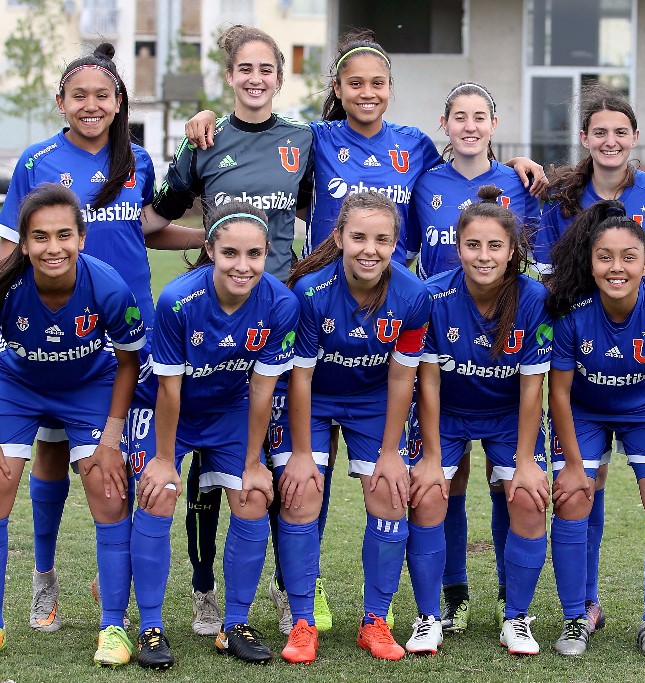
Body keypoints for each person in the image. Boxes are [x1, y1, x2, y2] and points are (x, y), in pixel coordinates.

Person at [185, 32, 546, 632]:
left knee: (408, 480)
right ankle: (302, 592)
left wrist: (515, 167)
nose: (368, 92)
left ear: (391, 90)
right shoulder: (314, 139)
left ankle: (433, 606)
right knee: (300, 476)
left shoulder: (416, 147)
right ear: (337, 90)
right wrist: (207, 119)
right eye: (356, 82)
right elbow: (255, 128)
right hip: (314, 310)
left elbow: (465, 170)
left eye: (378, 83)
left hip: (395, 319)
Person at [0, 44, 202, 653]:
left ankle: (116, 588)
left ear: (118, 103)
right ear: (60, 102)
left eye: (102, 96)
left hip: (124, 334)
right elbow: (11, 247)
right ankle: (44, 576)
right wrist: (0, 314)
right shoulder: (37, 160)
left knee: (120, 462)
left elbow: (149, 230)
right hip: (55, 333)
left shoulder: (135, 159)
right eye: (78, 95)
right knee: (52, 456)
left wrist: (212, 235)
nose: (90, 105)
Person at [149, 23, 314, 641]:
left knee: (264, 465)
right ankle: (204, 591)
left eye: (266, 69)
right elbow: (149, 224)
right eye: (244, 68)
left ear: (279, 75)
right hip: (211, 318)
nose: (255, 78)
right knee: (208, 472)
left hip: (276, 318)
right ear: (230, 76)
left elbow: (344, 197)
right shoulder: (204, 141)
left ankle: (276, 584)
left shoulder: (304, 139)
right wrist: (221, 240)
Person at [0, 184, 144, 665]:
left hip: (88, 386)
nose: (52, 247)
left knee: (109, 488)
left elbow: (127, 361)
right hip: (19, 386)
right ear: (23, 243)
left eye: (64, 235)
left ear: (82, 238)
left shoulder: (108, 287)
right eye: (40, 237)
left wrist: (111, 437)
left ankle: (114, 626)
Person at [536, 82, 645, 640]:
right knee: (581, 487)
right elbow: (541, 267)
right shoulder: (561, 196)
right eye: (599, 131)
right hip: (583, 364)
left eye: (619, 132)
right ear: (585, 139)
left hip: (643, 367)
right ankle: (582, 608)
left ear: (635, 138)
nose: (609, 140)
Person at [269, 191, 429, 662]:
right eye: (358, 236)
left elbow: (403, 375)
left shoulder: (413, 296)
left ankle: (375, 620)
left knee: (388, 492)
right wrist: (301, 454)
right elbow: (301, 376)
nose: (369, 249)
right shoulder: (311, 292)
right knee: (301, 494)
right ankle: (302, 622)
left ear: (396, 243)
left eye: (382, 239)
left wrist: (390, 452)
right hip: (312, 398)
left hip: (372, 399)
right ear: (338, 237)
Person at [405, 83, 541, 635]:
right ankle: (451, 595)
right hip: (447, 335)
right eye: (458, 116)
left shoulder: (521, 181)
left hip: (502, 351)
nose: (469, 125)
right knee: (445, 484)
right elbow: (403, 249)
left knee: (512, 484)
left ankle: (515, 603)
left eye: (479, 116)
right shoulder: (424, 181)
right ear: (444, 121)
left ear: (494, 121)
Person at [142, 201, 299, 665]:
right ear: (209, 249)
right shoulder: (177, 300)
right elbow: (168, 391)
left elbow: (261, 390)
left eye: (254, 254)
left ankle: (234, 623)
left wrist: (253, 463)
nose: (242, 265)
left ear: (267, 252)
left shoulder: (280, 303)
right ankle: (151, 626)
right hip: (172, 409)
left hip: (229, 409)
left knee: (252, 496)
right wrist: (165, 460)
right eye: (230, 253)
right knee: (160, 492)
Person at [545, 199, 645, 659]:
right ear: (590, 263)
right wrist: (572, 465)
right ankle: (577, 615)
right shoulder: (572, 312)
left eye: (629, 257)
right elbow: (560, 394)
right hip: (585, 410)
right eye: (605, 257)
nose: (617, 267)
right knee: (572, 496)